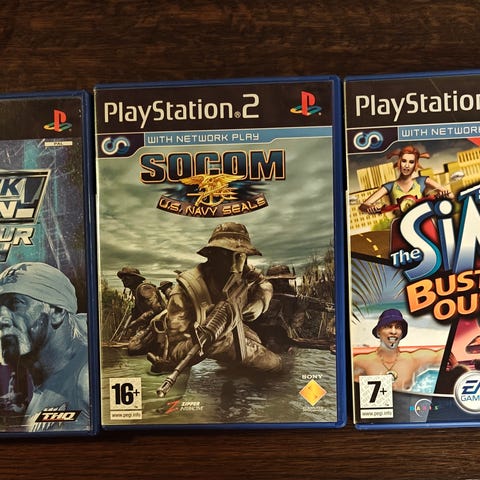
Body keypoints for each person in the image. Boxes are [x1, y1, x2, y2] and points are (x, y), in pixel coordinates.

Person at [149, 222, 282, 377]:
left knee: (255, 339)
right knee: (274, 364)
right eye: (225, 254)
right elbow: (176, 352)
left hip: (234, 327)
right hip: (201, 337)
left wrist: (260, 302)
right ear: (212, 255)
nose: (234, 265)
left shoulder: (244, 271)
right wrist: (213, 340)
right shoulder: (184, 291)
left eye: (240, 256)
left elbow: (264, 284)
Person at [0, 262, 89, 432]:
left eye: (15, 304)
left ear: (57, 311)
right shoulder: (43, 385)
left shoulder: (87, 379)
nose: (1, 319)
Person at [353, 308, 443, 391]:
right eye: (388, 326)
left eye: (398, 327)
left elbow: (441, 356)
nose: (393, 331)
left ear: (402, 333)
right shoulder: (362, 362)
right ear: (378, 332)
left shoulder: (413, 360)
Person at [359, 145, 452, 214]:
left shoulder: (422, 181)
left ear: (415, 165)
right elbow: (363, 206)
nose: (407, 165)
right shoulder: (390, 186)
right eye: (404, 161)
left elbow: (451, 195)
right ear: (399, 162)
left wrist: (443, 195)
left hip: (422, 221)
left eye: (411, 162)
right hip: (400, 224)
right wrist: (369, 208)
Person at [116, 267, 171, 356]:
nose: (123, 280)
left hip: (159, 323)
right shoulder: (136, 290)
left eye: (126, 277)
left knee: (133, 348)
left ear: (135, 278)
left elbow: (157, 309)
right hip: (151, 324)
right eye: (122, 278)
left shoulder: (144, 288)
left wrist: (136, 322)